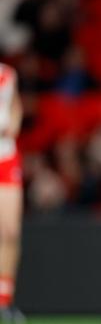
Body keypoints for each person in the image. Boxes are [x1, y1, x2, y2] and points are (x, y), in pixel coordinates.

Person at [0, 63, 25, 324]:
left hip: (5, 157)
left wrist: (14, 123)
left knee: (9, 231)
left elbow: (15, 106)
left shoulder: (7, 74)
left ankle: (4, 300)